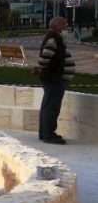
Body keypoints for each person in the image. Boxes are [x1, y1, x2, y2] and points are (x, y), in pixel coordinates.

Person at [32, 16, 75, 144]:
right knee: (51, 107)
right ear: (56, 25)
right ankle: (49, 134)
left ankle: (44, 133)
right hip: (54, 79)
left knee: (48, 106)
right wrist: (42, 69)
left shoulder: (55, 38)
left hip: (53, 78)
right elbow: (44, 59)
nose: (66, 24)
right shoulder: (53, 39)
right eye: (63, 23)